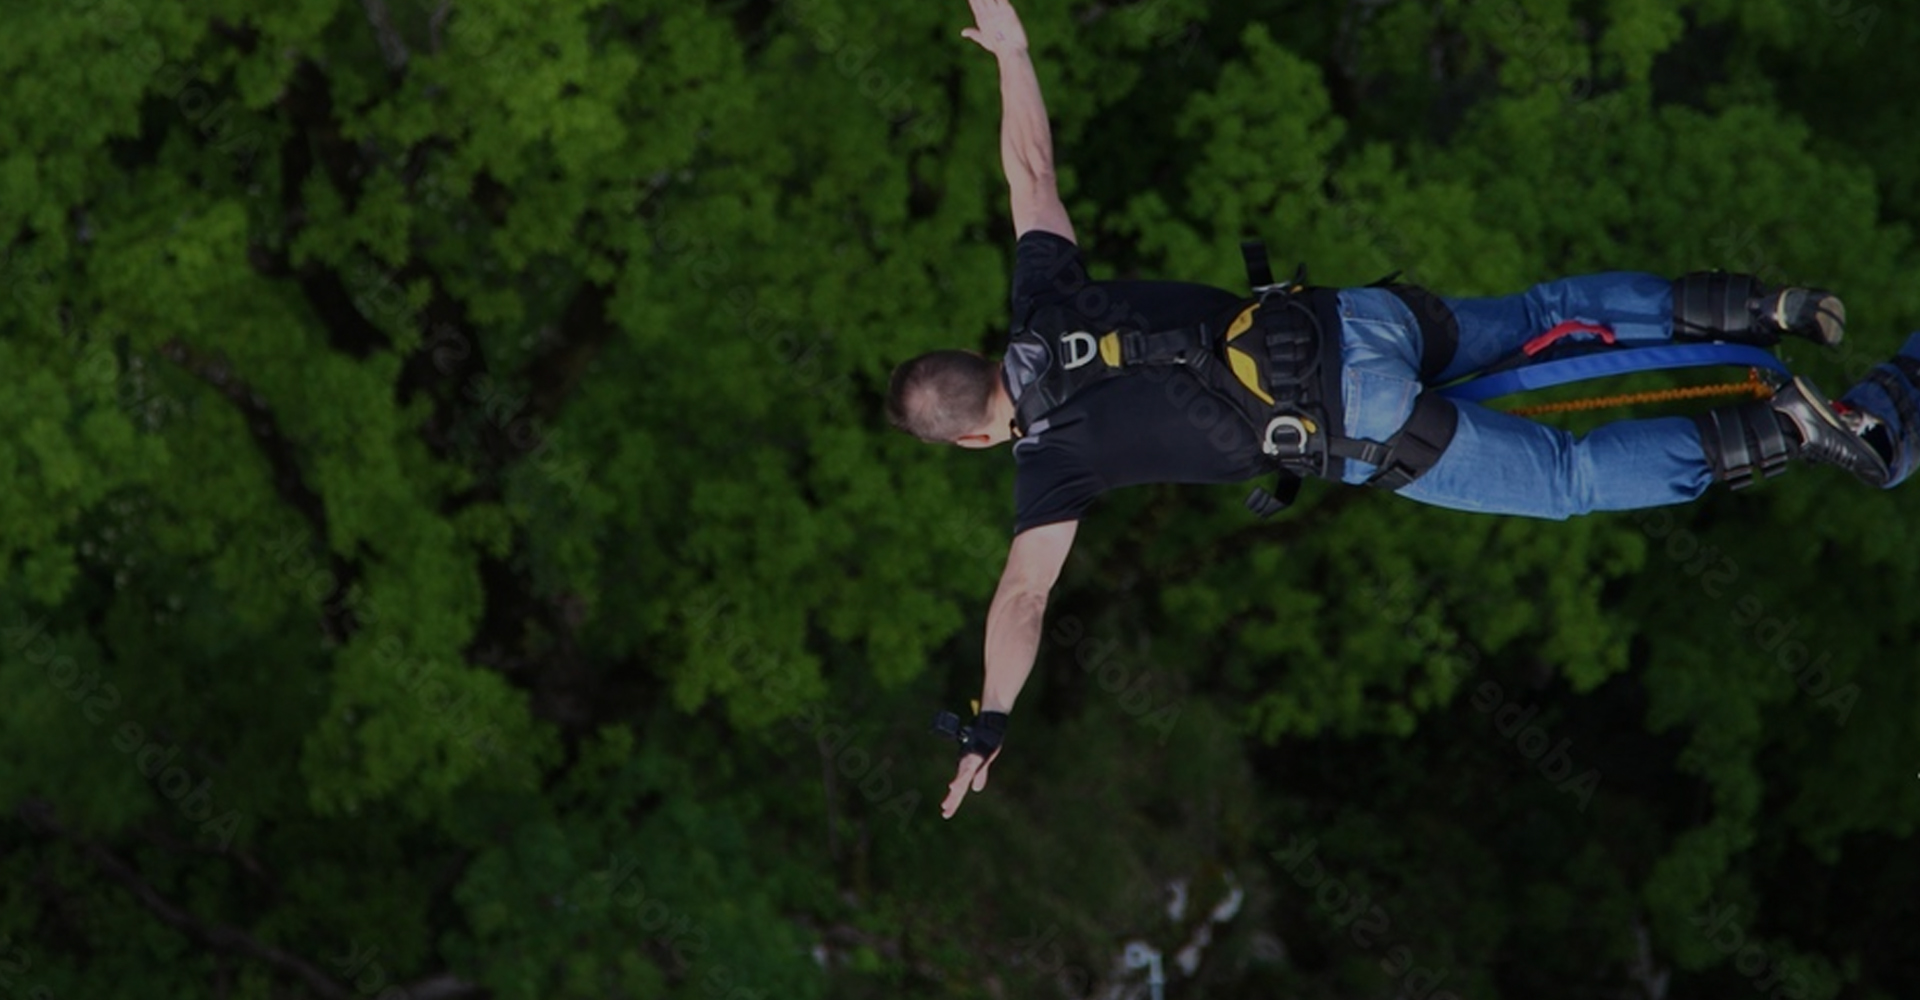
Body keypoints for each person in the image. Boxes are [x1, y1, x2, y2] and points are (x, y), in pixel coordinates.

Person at [901, 0, 1920, 819]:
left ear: (977, 436)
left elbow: (1023, 601)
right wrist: (1012, 48)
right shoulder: (1043, 297)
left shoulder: (1048, 461)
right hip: (1352, 320)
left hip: (1359, 418)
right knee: (1542, 313)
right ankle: (1758, 303)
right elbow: (1030, 170)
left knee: (1567, 481)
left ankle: (1788, 428)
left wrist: (993, 717)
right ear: (981, 356)